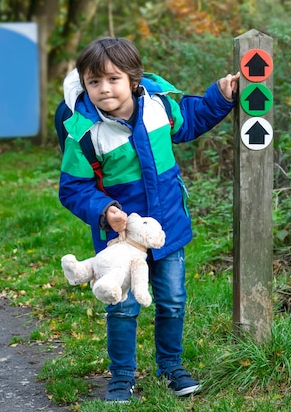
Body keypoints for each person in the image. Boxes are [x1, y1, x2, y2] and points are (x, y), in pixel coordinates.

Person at [55, 37, 239, 403]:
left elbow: (193, 120)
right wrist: (104, 210)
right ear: (85, 84)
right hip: (119, 241)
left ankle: (171, 367)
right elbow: (73, 187)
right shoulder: (85, 132)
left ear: (133, 79)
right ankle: (122, 377)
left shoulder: (159, 108)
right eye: (94, 82)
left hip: (165, 229)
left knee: (172, 300)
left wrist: (220, 94)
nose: (104, 89)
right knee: (122, 307)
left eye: (112, 79)